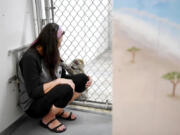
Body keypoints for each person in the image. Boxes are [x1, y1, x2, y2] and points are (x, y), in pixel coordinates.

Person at [18, 23, 92, 133]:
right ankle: (48, 118)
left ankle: (57, 111)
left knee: (82, 80)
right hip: (33, 105)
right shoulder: (30, 58)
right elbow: (34, 92)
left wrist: (84, 78)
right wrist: (58, 82)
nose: (61, 43)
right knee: (66, 88)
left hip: (49, 94)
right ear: (53, 42)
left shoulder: (52, 52)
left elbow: (62, 77)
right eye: (60, 39)